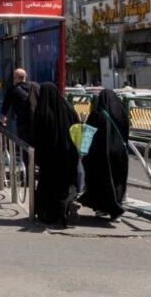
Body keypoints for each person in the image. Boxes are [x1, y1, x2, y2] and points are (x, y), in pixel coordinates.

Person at [31, 82, 80, 227]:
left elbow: (36, 137)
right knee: (64, 184)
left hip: (49, 157)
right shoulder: (69, 108)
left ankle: (48, 214)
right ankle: (65, 209)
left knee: (48, 185)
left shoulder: (41, 112)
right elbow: (77, 128)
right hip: (69, 154)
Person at [80, 88, 130, 221]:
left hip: (101, 154)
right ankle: (117, 206)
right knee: (118, 180)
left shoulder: (97, 114)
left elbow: (89, 134)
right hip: (120, 152)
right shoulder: (122, 113)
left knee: (102, 180)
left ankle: (105, 208)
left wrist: (83, 152)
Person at [1, 68, 36, 144]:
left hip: (22, 121)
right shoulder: (34, 86)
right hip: (35, 120)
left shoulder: (12, 90)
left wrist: (4, 116)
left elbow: (6, 104)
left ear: (15, 77)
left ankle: (26, 155)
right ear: (25, 76)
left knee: (24, 143)